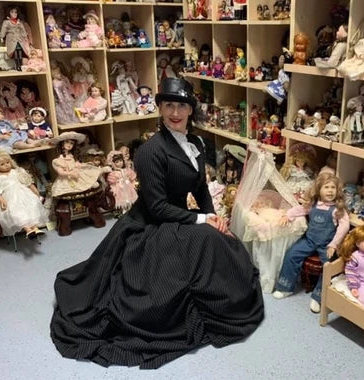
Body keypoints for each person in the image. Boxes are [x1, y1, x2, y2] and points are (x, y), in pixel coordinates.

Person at [50, 78, 264, 369]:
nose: (175, 112)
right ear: (160, 108)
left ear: (190, 109)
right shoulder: (151, 151)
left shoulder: (198, 143)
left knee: (221, 239)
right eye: (168, 105)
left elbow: (200, 188)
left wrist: (212, 215)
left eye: (181, 105)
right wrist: (201, 219)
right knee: (195, 251)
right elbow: (158, 207)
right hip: (150, 224)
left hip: (179, 216)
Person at [272, 172, 350, 313]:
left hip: (326, 244)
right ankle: (285, 288)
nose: (330, 191)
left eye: (333, 188)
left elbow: (344, 227)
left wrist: (333, 245)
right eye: (326, 187)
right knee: (292, 254)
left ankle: (318, 297)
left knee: (329, 266)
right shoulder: (313, 205)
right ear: (319, 189)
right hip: (309, 240)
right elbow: (300, 209)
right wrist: (288, 215)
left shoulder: (338, 210)